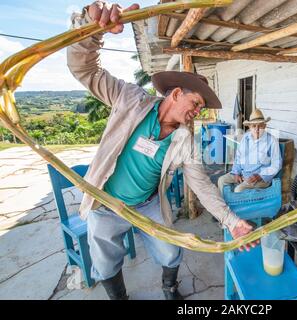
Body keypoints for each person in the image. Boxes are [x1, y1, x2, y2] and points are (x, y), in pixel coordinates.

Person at [68, 1, 257, 300]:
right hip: (106, 203)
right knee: (105, 262)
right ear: (177, 93)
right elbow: (84, 69)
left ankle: (169, 288)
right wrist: (91, 32)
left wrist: (232, 222)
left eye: (201, 108)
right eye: (196, 103)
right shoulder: (130, 99)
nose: (198, 111)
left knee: (171, 249)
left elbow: (203, 187)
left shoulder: (184, 141)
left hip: (147, 203)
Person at [218, 108, 282, 195]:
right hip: (244, 174)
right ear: (249, 127)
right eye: (254, 126)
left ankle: (237, 207)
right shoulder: (246, 137)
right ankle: (225, 206)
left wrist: (260, 176)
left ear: (265, 126)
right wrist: (236, 172)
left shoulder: (271, 141)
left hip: (260, 178)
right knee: (222, 181)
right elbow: (238, 156)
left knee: (239, 190)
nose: (257, 129)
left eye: (260, 125)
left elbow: (276, 164)